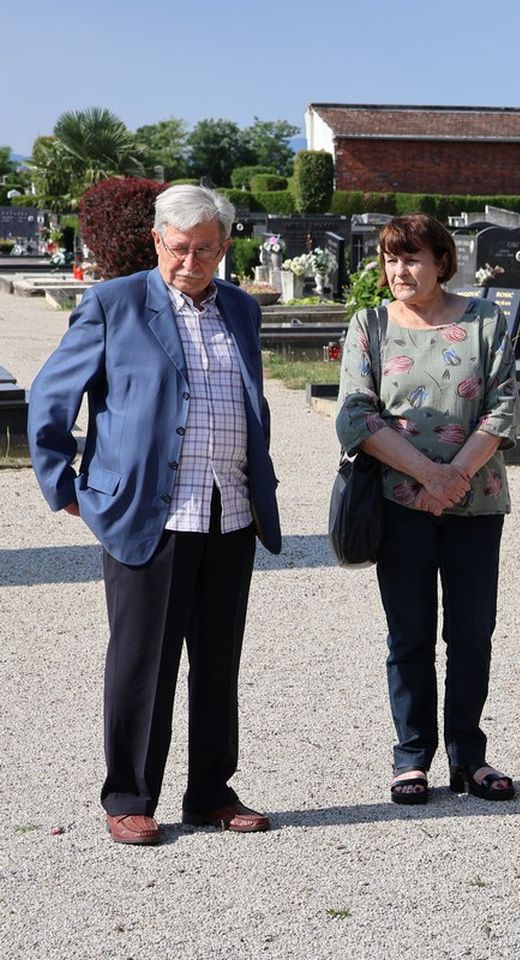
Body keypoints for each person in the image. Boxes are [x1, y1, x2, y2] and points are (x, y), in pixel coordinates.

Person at [27, 185, 282, 845]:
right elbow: (51, 398)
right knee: (143, 661)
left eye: (204, 249)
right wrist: (70, 490)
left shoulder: (242, 312)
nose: (190, 261)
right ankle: (130, 795)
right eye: (178, 248)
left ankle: (210, 793)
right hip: (148, 514)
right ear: (156, 243)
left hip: (229, 513)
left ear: (223, 248)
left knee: (218, 662)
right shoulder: (114, 305)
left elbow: (249, 403)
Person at [336, 214, 519, 806]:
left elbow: (501, 408)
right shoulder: (369, 325)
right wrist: (428, 477)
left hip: (475, 501)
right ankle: (411, 757)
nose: (399, 271)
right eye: (391, 259)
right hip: (399, 503)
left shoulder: (486, 321)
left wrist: (455, 476)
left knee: (472, 633)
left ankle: (469, 757)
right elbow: (356, 415)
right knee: (408, 635)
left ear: (442, 261)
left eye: (412, 258)